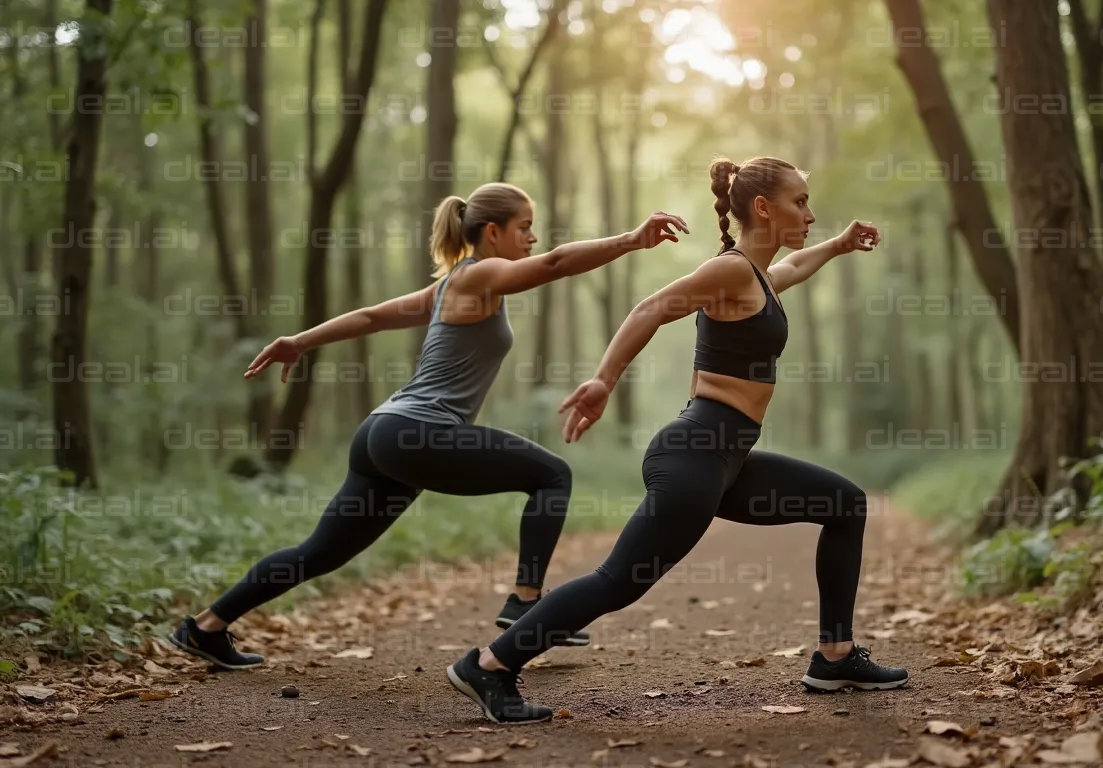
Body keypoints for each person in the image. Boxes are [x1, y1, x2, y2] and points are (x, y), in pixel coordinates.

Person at [446, 158, 908, 724]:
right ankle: (490, 666)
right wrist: (603, 380)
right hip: (696, 453)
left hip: (727, 459)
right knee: (618, 581)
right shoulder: (732, 271)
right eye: (801, 202)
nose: (810, 214)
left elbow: (794, 267)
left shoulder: (756, 277)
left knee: (843, 505)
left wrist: (837, 245)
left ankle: (835, 656)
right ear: (764, 208)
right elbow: (651, 307)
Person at [167, 182, 689, 670]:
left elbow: (371, 317)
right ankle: (525, 601)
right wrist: (629, 239)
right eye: (524, 227)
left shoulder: (448, 288)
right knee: (552, 475)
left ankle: (205, 627)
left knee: (319, 551)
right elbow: (554, 264)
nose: (533, 237)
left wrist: (299, 342)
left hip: (383, 433)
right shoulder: (478, 274)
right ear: (492, 233)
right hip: (418, 431)